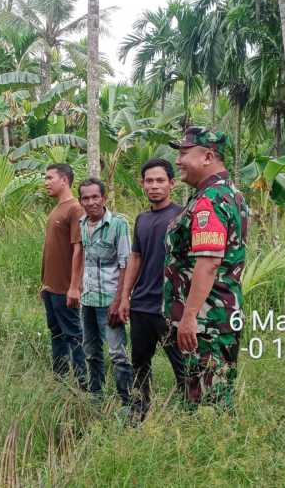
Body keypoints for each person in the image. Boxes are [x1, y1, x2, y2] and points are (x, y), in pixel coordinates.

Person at [162, 127, 248, 409]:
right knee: (209, 396)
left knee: (210, 404)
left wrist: (189, 317)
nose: (178, 160)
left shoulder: (209, 201)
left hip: (207, 321)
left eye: (185, 153)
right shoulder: (227, 193)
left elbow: (208, 262)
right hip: (215, 317)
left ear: (208, 156)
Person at [117, 159, 186, 418]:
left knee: (182, 368)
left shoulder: (182, 216)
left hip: (169, 308)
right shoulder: (142, 219)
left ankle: (187, 417)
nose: (154, 186)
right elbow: (136, 257)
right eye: (149, 181)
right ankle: (139, 415)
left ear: (172, 183)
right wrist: (125, 296)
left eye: (160, 181)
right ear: (142, 184)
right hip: (141, 306)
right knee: (140, 365)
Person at [76, 178, 133, 406]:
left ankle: (127, 401)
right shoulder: (82, 224)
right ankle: (96, 397)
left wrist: (119, 301)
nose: (91, 202)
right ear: (81, 201)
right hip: (88, 300)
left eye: (95, 197)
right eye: (86, 198)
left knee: (117, 354)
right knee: (91, 352)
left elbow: (125, 264)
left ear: (104, 198)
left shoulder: (118, 224)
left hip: (110, 300)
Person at [40, 163, 87, 389]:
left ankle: (83, 383)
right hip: (51, 288)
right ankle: (59, 381)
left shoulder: (75, 209)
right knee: (56, 334)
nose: (46, 182)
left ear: (64, 180)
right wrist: (45, 284)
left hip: (65, 288)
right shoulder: (57, 208)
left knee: (74, 335)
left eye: (50, 178)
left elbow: (79, 249)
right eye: (45, 178)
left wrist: (74, 286)